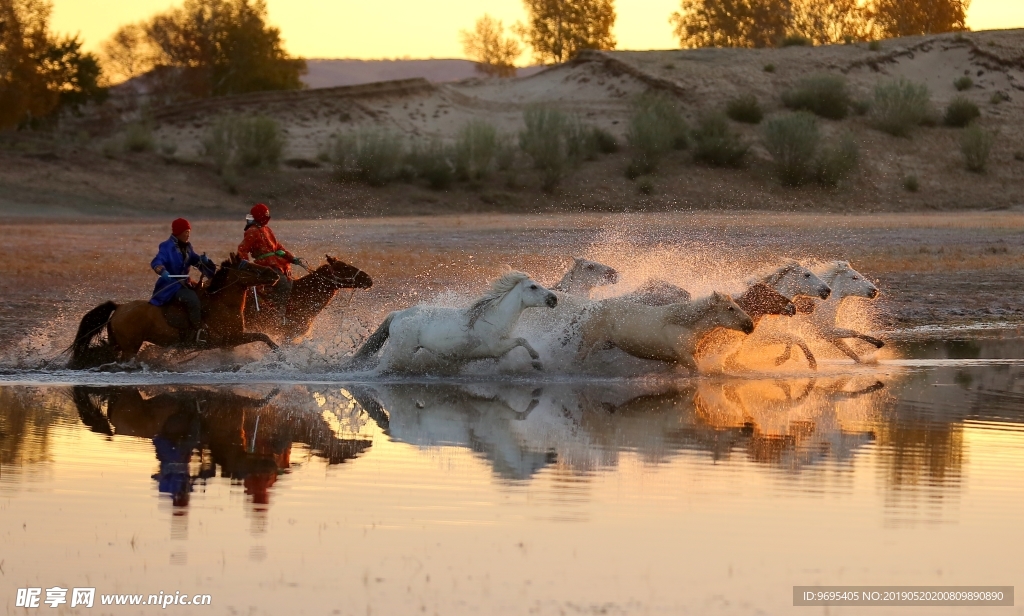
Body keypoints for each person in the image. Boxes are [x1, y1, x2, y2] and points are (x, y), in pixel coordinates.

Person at [237, 203, 307, 324]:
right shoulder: (252, 231)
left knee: (290, 281)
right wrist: (246, 265)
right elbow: (242, 249)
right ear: (260, 216)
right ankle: (279, 314)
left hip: (277, 264)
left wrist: (292, 258)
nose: (267, 218)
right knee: (283, 283)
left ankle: (287, 310)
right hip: (264, 265)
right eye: (265, 216)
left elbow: (278, 246)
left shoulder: (267, 229)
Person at [150, 218, 216, 346]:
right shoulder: (166, 246)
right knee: (192, 300)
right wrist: (162, 271)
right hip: (171, 285)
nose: (188, 234)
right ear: (178, 232)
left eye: (189, 231)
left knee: (206, 295)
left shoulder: (188, 247)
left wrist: (205, 262)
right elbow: (156, 262)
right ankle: (198, 332)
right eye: (185, 231)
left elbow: (195, 260)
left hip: (185, 283)